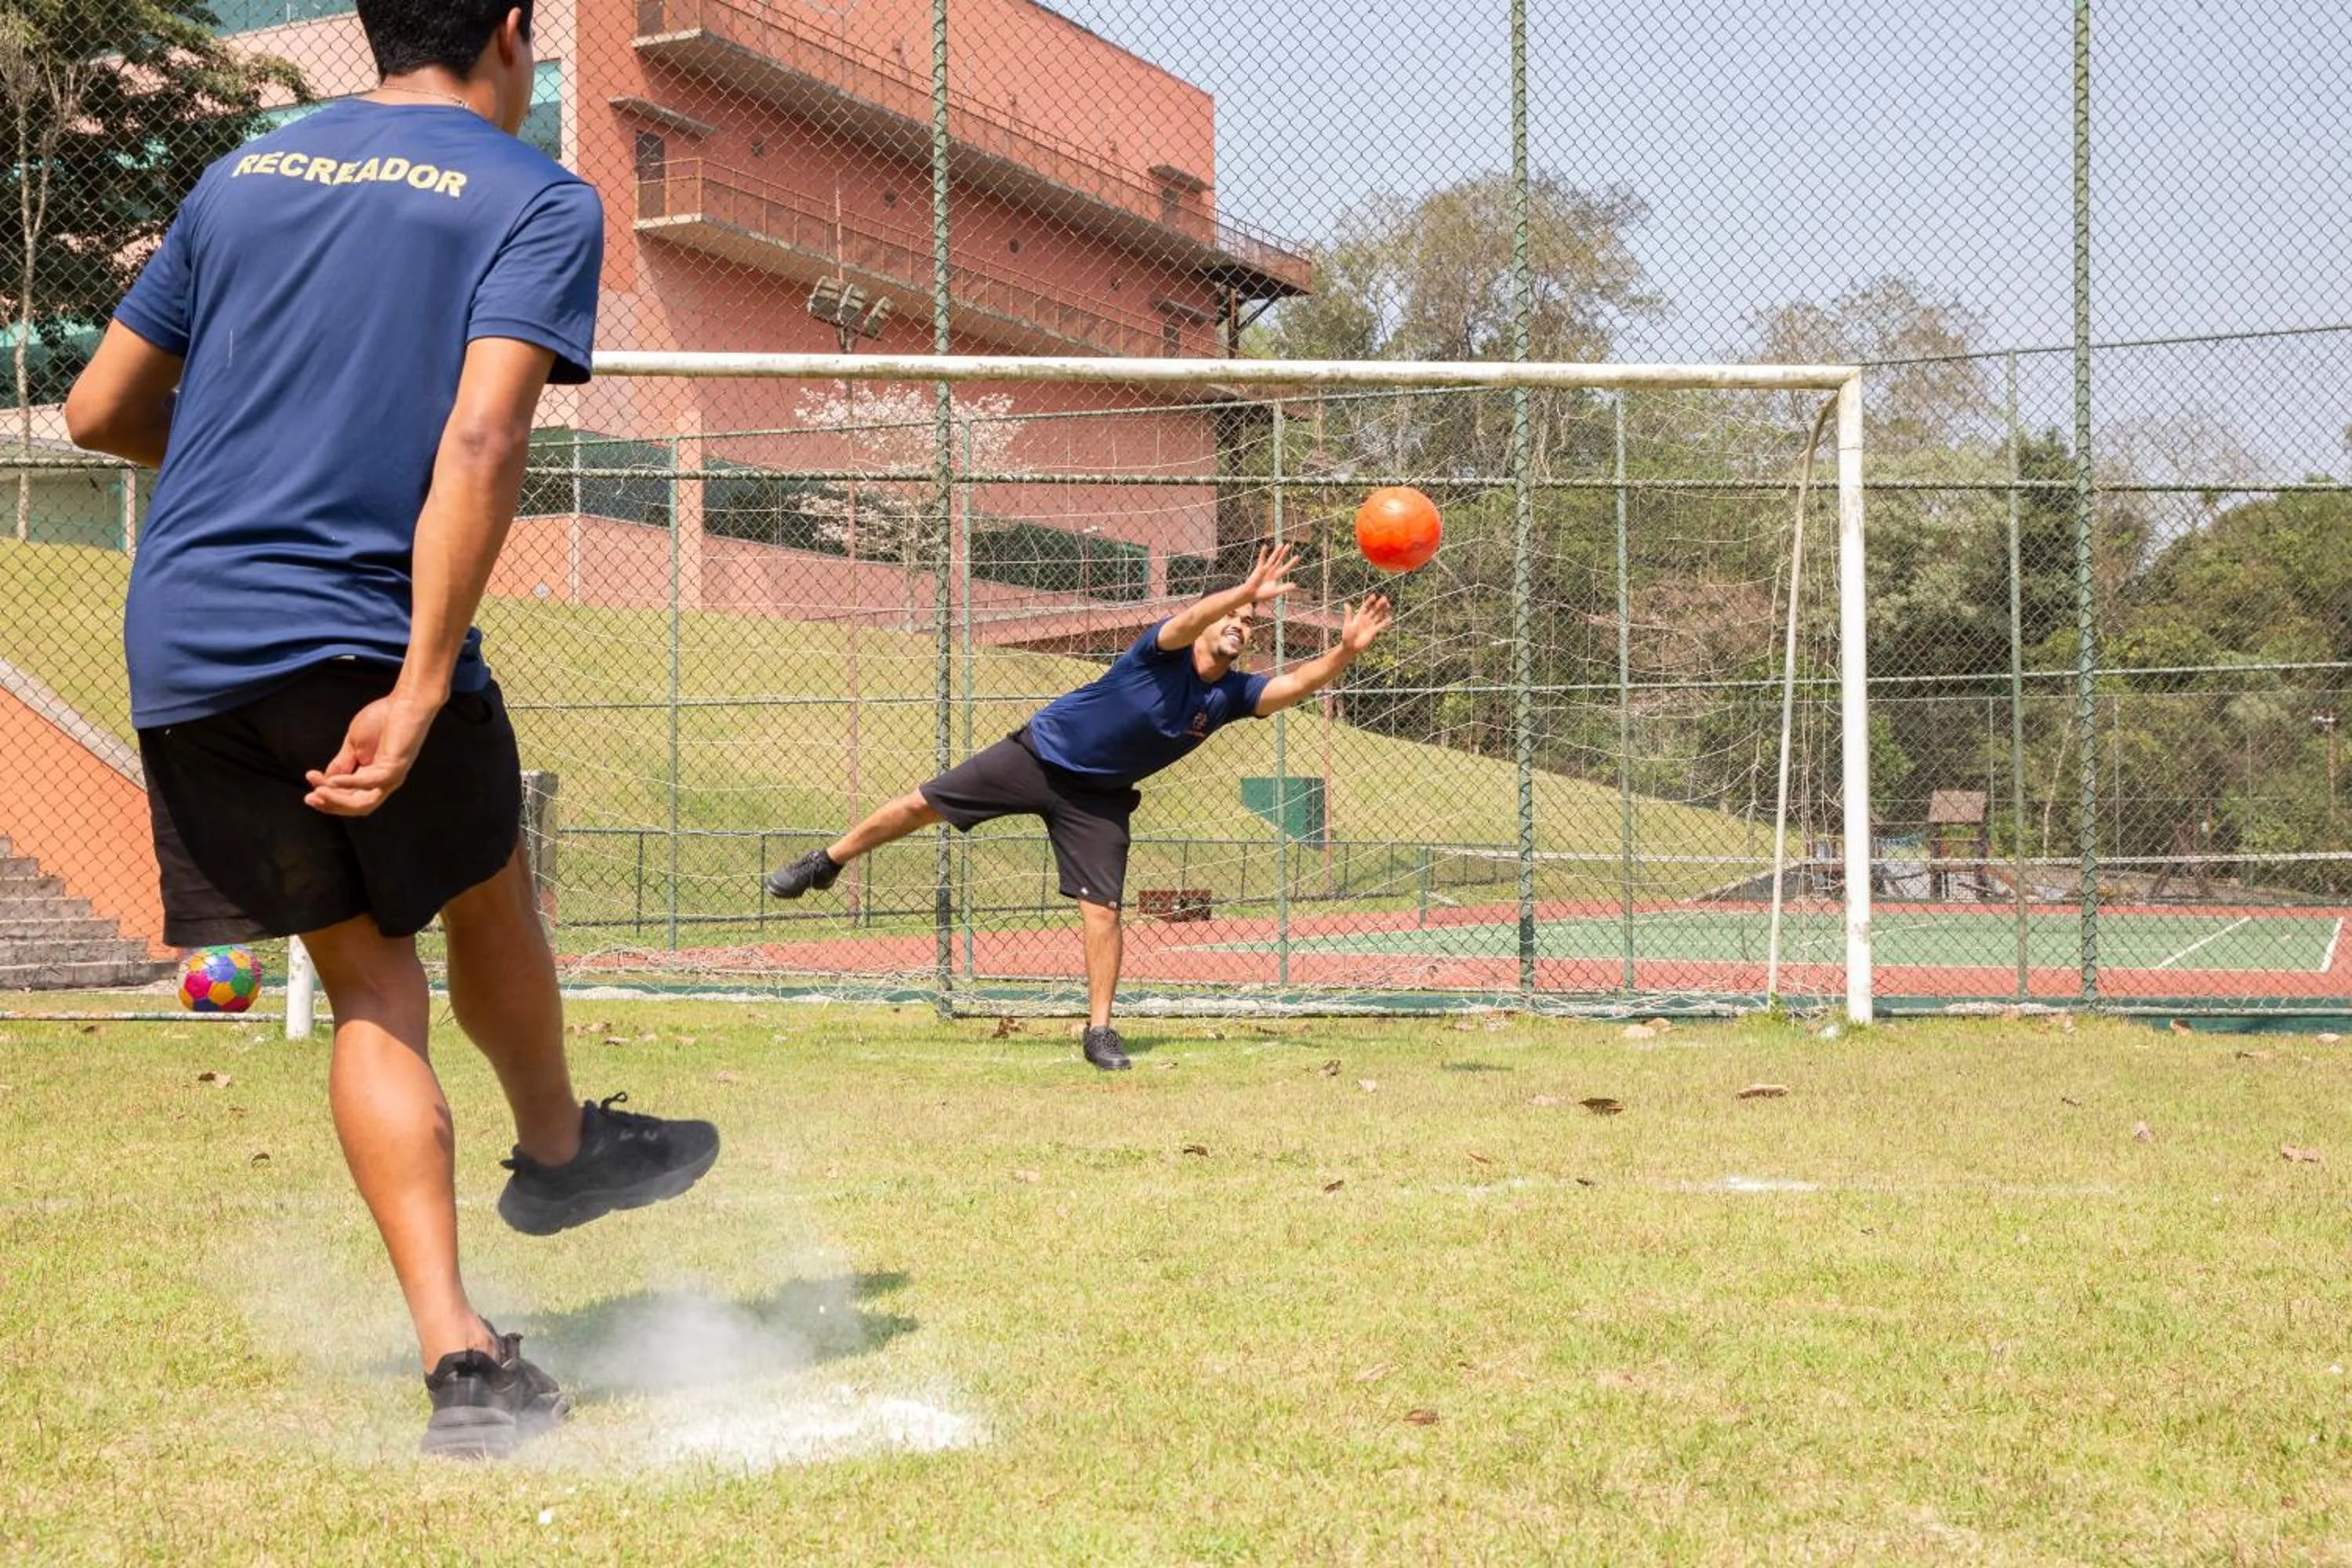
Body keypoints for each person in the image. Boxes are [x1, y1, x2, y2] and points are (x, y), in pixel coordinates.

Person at [64, 0, 718, 1460]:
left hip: (188, 635)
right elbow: (485, 437)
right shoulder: (535, 194)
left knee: (369, 981)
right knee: (487, 877)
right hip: (359, 622)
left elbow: (98, 409)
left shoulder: (243, 174)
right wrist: (419, 686)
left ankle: (462, 1361)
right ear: (512, 33)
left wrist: (246, 464)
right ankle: (559, 1147)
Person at [764, 543, 1393, 1069]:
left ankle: (1098, 1031)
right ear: (1207, 621)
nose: (1239, 624)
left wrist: (1346, 651)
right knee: (921, 805)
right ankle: (825, 862)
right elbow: (1189, 618)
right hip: (1038, 756)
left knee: (1103, 911)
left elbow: (1296, 683)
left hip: (1097, 801)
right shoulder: (1161, 651)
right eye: (1232, 615)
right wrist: (1243, 591)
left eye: (1249, 623)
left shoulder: (1231, 696)